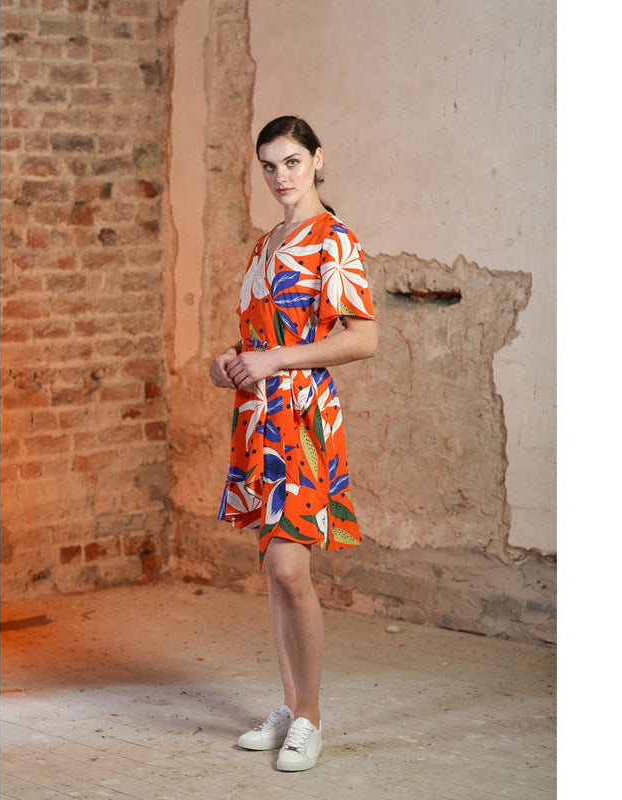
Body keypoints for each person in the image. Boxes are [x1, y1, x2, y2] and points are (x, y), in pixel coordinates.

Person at [209, 115, 378, 772]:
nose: (280, 177)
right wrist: (229, 361)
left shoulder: (334, 240)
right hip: (258, 418)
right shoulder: (266, 245)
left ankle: (309, 718)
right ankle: (288, 705)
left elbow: (362, 337)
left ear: (317, 160)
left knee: (290, 570)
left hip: (303, 422)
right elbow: (257, 336)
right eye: (269, 166)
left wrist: (277, 359)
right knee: (274, 576)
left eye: (292, 162)